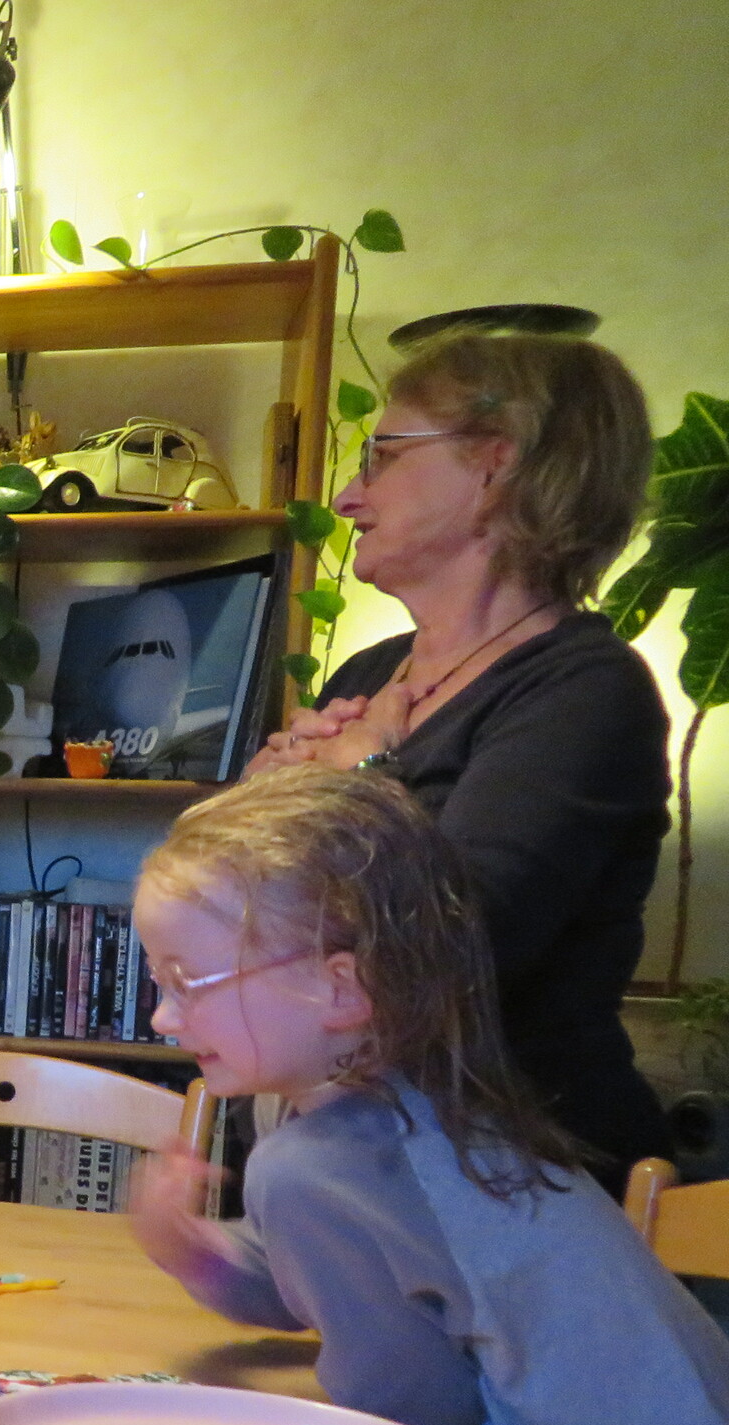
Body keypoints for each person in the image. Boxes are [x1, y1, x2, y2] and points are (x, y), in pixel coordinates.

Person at [127, 767, 729, 1425]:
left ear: (340, 990)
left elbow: (415, 1412)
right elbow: (325, 1283)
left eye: (187, 981)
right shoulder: (413, 1104)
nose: (162, 1015)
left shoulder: (316, 1164)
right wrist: (201, 1255)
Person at [246, 332, 670, 1183]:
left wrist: (354, 783)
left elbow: (455, 946)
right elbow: (239, 913)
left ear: (495, 466)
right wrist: (256, 810)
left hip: (522, 1177)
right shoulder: (369, 674)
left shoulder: (588, 690)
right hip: (357, 1157)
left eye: (384, 456)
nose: (348, 496)